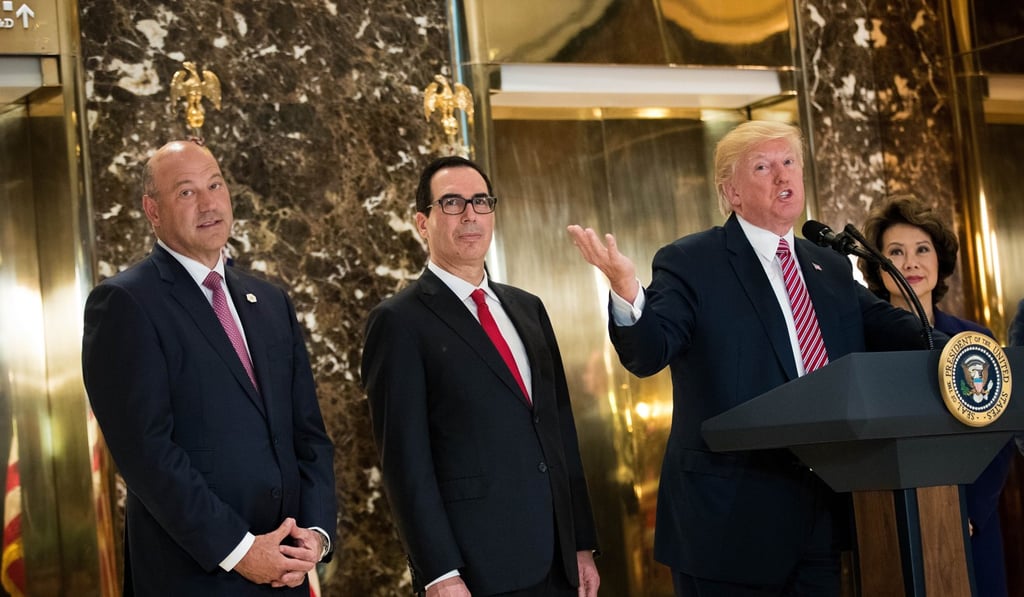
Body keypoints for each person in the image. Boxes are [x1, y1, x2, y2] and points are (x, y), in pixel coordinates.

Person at [568, 120, 936, 596]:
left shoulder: (829, 265)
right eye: (763, 167)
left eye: (789, 162)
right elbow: (649, 351)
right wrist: (626, 291)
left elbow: (899, 332)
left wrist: (970, 353)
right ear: (732, 193)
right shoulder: (692, 261)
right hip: (727, 524)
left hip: (821, 518)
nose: (783, 176)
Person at [82, 140, 337, 595]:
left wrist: (315, 535)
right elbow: (147, 454)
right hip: (195, 575)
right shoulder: (125, 303)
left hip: (287, 570)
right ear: (152, 210)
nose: (208, 203)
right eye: (186, 192)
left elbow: (308, 433)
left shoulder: (270, 301)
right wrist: (240, 550)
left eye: (215, 185)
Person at [361, 155, 600, 597]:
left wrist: (581, 543)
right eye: (452, 203)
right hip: (476, 571)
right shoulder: (398, 321)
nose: (470, 215)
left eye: (481, 202)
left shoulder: (528, 308)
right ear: (422, 222)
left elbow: (560, 432)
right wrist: (439, 573)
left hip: (559, 561)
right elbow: (405, 463)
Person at [859, 193, 1013, 597]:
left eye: (922, 249)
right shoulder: (860, 349)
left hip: (971, 524)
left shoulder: (974, 338)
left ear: (939, 260)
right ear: (878, 267)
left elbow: (1000, 437)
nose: (910, 262)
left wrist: (969, 513)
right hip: (889, 525)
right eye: (896, 252)